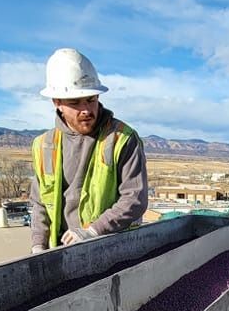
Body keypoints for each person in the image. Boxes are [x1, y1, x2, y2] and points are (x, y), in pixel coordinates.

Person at [29, 48, 148, 253]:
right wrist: (38, 246)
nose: (86, 110)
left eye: (91, 100)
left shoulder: (122, 138)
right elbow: (40, 204)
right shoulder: (43, 146)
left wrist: (92, 231)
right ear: (57, 102)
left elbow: (134, 198)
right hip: (62, 252)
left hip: (112, 250)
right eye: (75, 102)